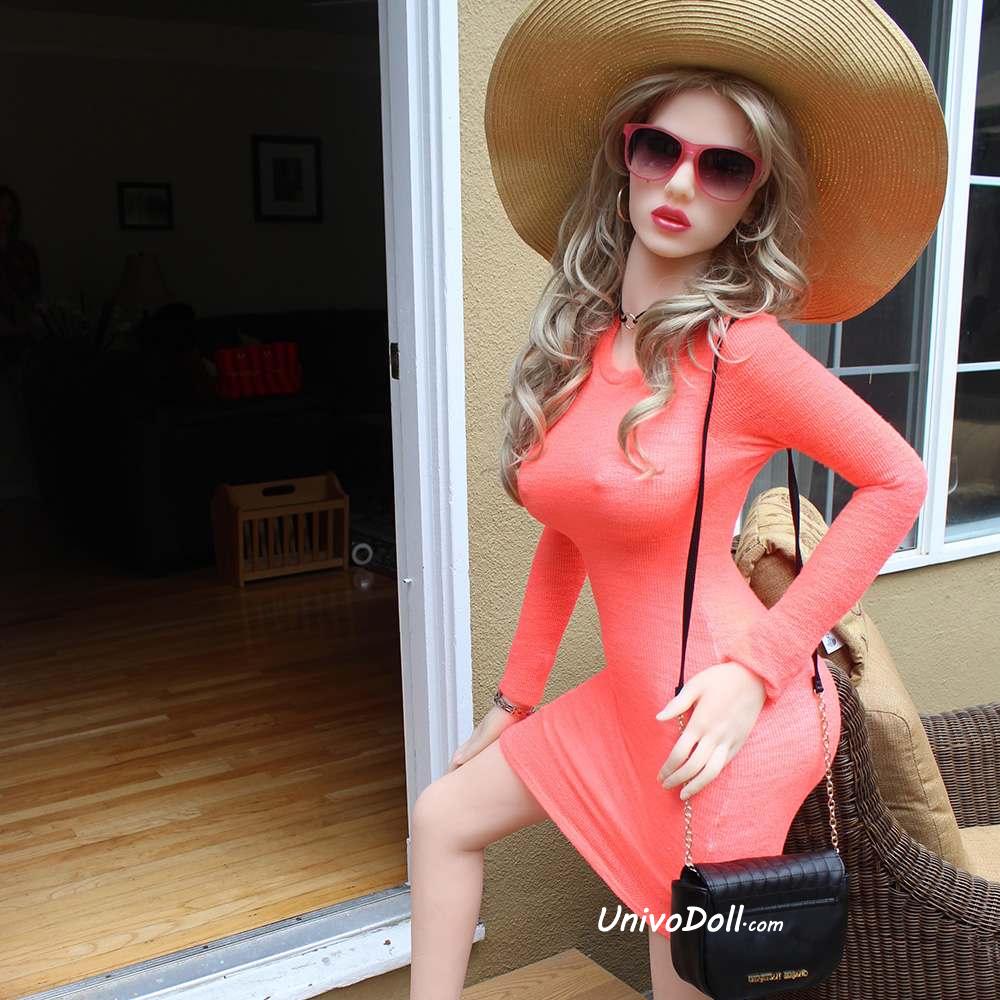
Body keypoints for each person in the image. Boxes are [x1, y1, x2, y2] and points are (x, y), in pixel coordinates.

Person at [408, 2, 946, 998]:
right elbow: (573, 531)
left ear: (753, 200)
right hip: (629, 702)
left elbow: (898, 480)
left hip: (723, 723)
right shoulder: (585, 342)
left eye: (724, 166)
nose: (682, 182)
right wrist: (514, 698)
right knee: (443, 816)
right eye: (660, 148)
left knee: (682, 967)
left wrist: (756, 670)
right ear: (625, 158)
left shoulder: (742, 351)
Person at [0, 185, 42, 340]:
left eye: (8, 210)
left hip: (21, 330)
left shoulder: (25, 252)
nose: (2, 216)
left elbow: (34, 292)